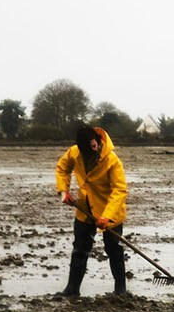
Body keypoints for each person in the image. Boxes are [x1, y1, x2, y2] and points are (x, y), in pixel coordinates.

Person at [54, 122, 127, 296]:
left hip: (110, 210)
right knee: (80, 248)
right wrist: (63, 191)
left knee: (113, 249)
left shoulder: (111, 160)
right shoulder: (75, 153)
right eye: (88, 148)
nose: (93, 150)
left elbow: (119, 190)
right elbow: (62, 168)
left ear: (97, 140)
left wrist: (107, 216)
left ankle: (120, 290)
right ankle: (72, 289)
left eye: (94, 146)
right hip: (84, 208)